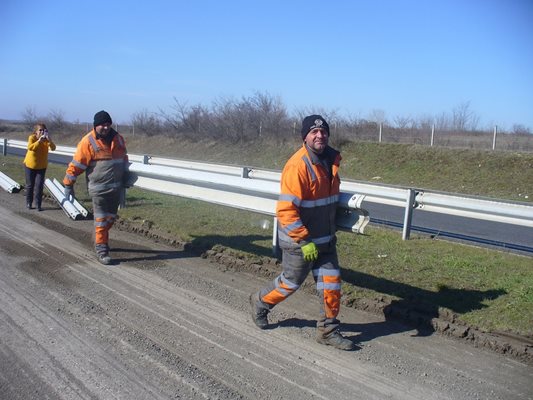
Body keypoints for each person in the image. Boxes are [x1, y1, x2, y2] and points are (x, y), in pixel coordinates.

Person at [250, 115, 355, 351]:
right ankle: (260, 301)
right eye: (314, 132)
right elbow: (286, 210)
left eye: (323, 131)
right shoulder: (298, 165)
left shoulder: (331, 160)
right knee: (290, 283)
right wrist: (304, 240)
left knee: (331, 284)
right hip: (300, 241)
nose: (320, 135)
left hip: (325, 240)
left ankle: (328, 331)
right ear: (305, 136)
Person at [63, 110, 129, 265]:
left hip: (116, 189)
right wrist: (68, 183)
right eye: (102, 125)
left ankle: (100, 238)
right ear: (95, 126)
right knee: (100, 220)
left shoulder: (118, 139)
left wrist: (126, 174)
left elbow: (124, 158)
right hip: (98, 190)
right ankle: (101, 250)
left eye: (108, 124)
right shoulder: (88, 142)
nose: (106, 128)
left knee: (110, 219)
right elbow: (77, 164)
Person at [23, 123, 56, 211]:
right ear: (36, 132)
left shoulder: (46, 140)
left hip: (41, 166)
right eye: (40, 130)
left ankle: (38, 205)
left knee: (39, 185)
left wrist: (50, 141)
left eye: (44, 130)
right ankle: (29, 202)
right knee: (30, 185)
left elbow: (53, 148)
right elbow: (30, 148)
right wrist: (39, 141)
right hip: (30, 165)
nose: (42, 132)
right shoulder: (32, 138)